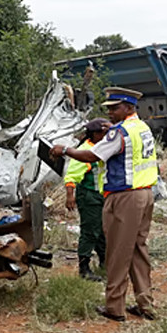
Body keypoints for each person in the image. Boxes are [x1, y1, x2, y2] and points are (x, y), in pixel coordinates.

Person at [52, 87, 158, 322]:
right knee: (139, 250)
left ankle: (115, 307)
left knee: (118, 252)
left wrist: (65, 150)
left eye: (114, 108)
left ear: (128, 108)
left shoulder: (119, 133)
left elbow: (92, 156)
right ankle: (145, 303)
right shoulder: (142, 128)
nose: (109, 112)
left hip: (124, 197)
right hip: (145, 194)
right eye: (108, 108)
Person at [63, 119, 111, 282]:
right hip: (89, 196)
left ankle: (105, 262)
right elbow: (72, 175)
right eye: (103, 133)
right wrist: (70, 196)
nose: (106, 136)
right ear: (95, 134)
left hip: (101, 195)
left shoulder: (102, 148)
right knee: (90, 231)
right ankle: (84, 268)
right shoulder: (85, 150)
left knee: (102, 231)